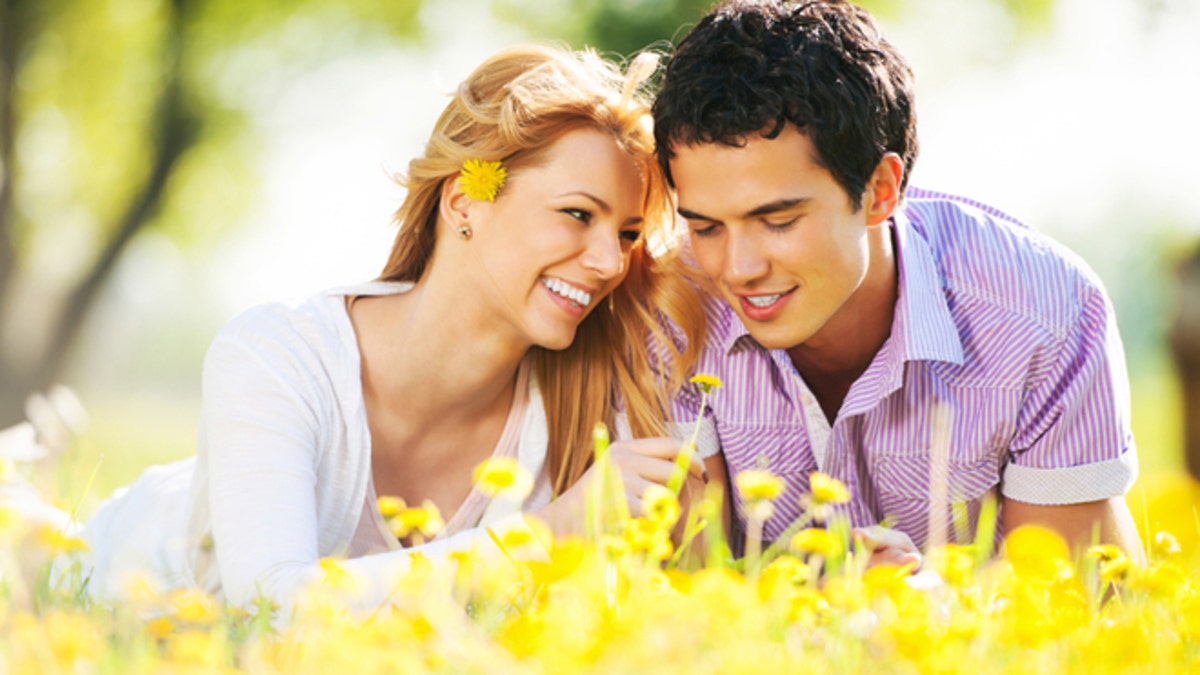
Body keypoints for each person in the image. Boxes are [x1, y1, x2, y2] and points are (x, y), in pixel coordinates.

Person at [56, 43, 708, 615]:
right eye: (576, 214)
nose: (608, 262)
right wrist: (555, 529)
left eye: (626, 235)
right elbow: (271, 611)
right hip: (96, 586)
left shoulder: (589, 406)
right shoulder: (278, 356)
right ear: (464, 201)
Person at [652, 0, 1143, 559]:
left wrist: (940, 606)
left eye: (778, 221)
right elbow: (685, 590)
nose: (736, 269)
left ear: (880, 190)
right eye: (706, 227)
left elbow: (1072, 600)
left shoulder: (1044, 317)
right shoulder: (666, 312)